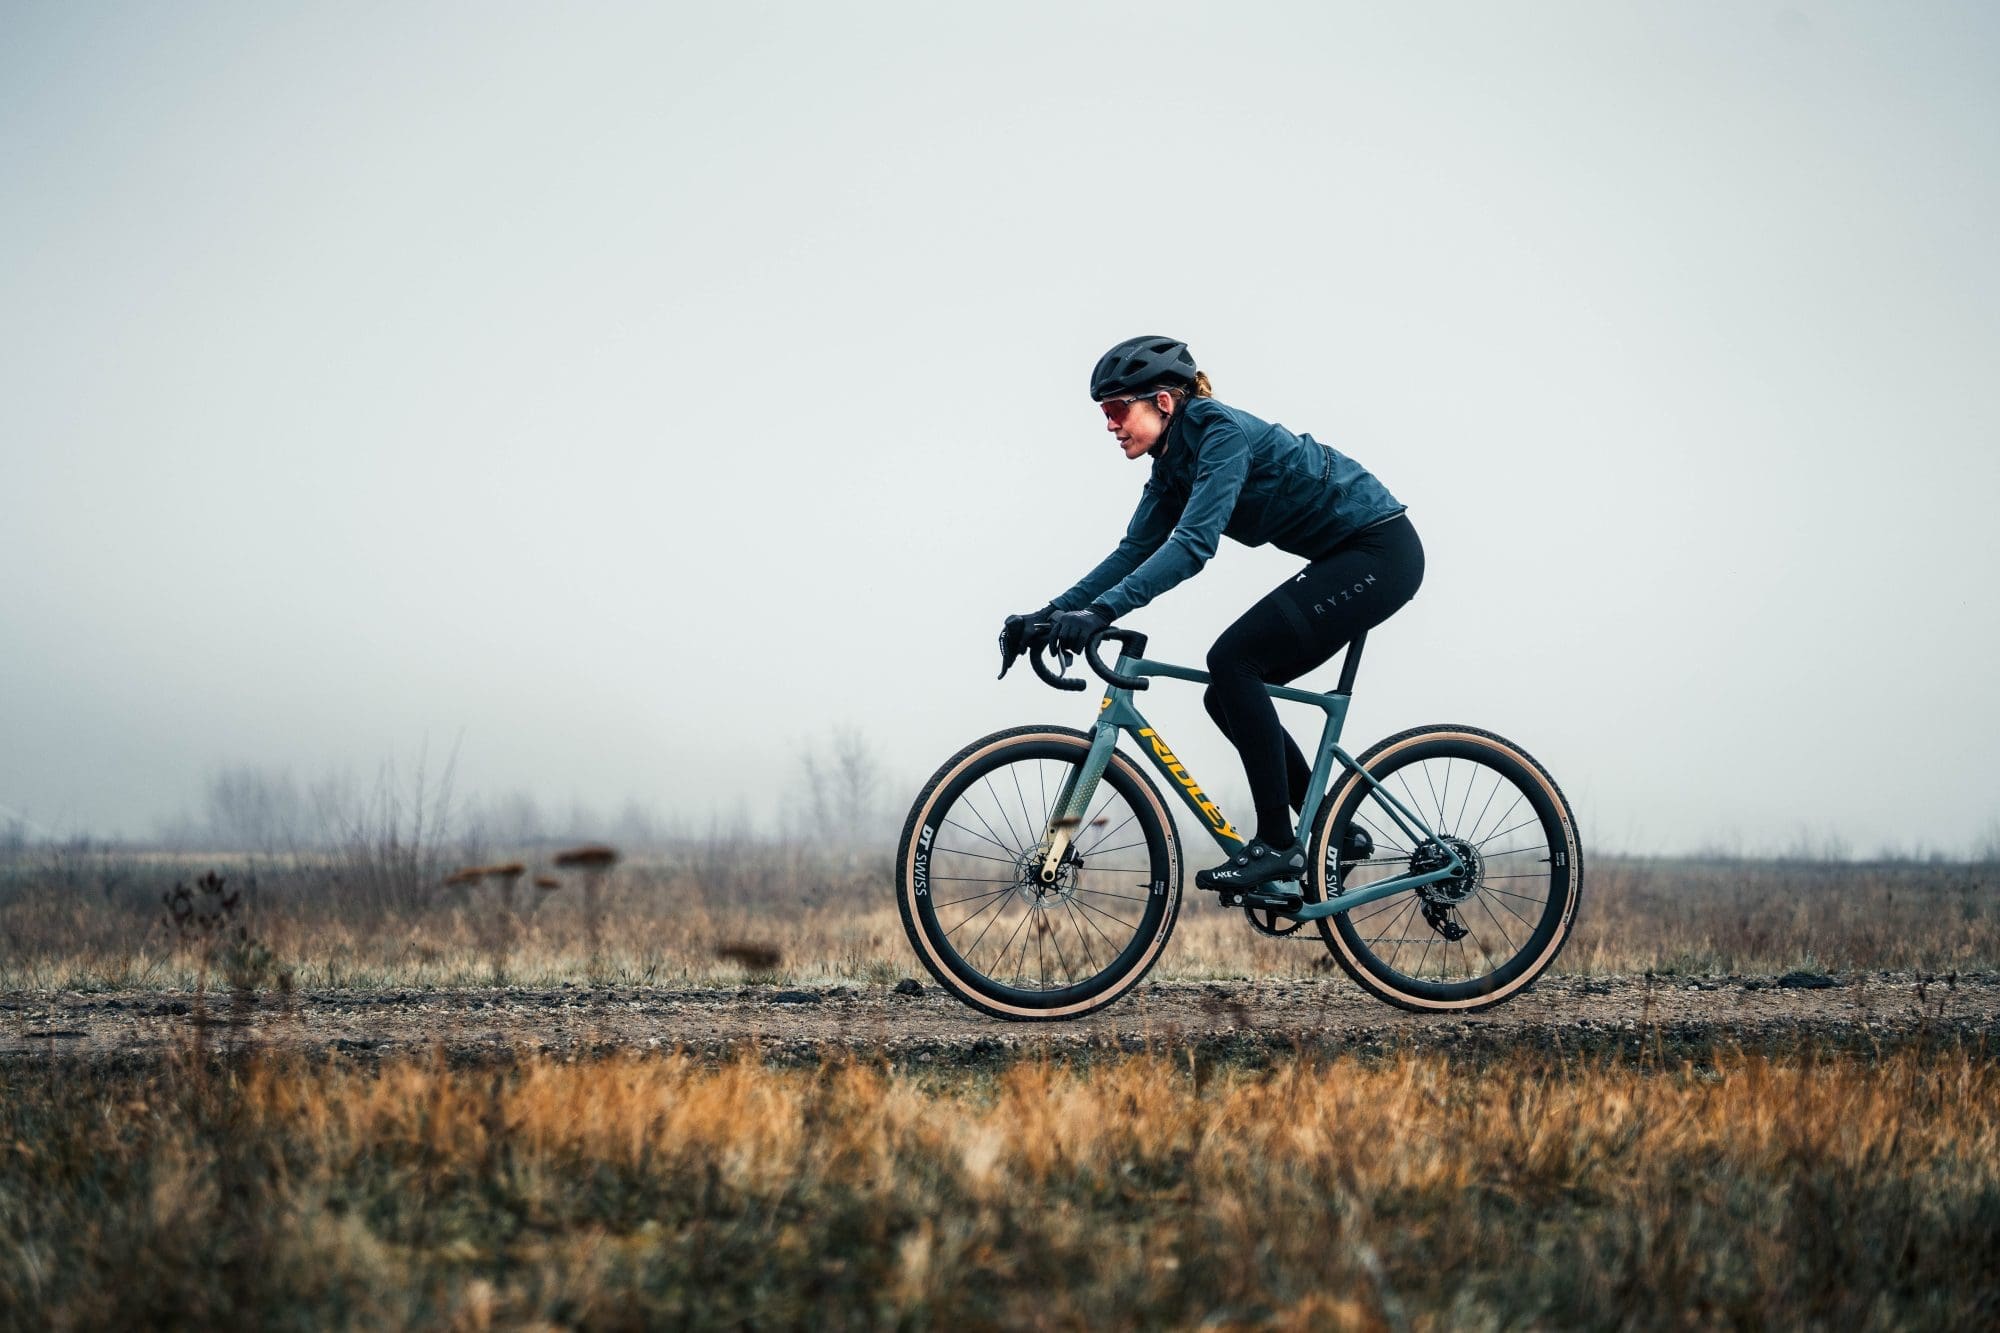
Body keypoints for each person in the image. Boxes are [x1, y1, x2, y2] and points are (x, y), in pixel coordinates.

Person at [998, 336, 1424, 897]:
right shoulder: (1172, 464)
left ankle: (1278, 844)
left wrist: (1101, 611)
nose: (1110, 424)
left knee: (1233, 661)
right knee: (1224, 692)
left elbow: (1193, 545)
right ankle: (1334, 833)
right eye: (1104, 413)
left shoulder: (1218, 433)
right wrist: (1051, 613)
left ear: (1164, 402)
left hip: (1380, 553)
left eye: (1118, 409)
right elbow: (1134, 552)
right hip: (1346, 556)